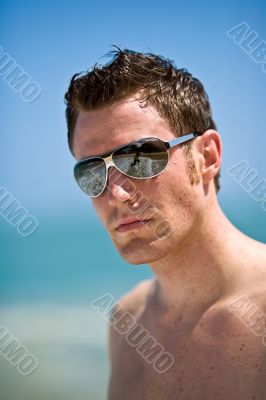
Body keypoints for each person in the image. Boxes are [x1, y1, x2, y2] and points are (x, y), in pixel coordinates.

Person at [64, 47, 266, 399]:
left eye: (140, 158)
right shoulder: (128, 323)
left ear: (207, 157)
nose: (117, 195)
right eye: (93, 172)